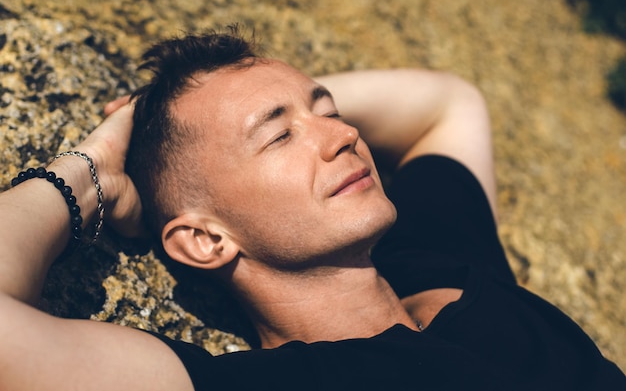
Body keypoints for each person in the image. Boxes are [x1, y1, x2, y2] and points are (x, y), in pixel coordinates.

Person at [0, 26, 624, 391]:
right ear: (205, 240)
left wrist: (264, 97)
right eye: (278, 137)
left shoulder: (443, 270)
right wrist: (90, 175)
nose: (343, 135)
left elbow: (448, 104)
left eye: (329, 113)